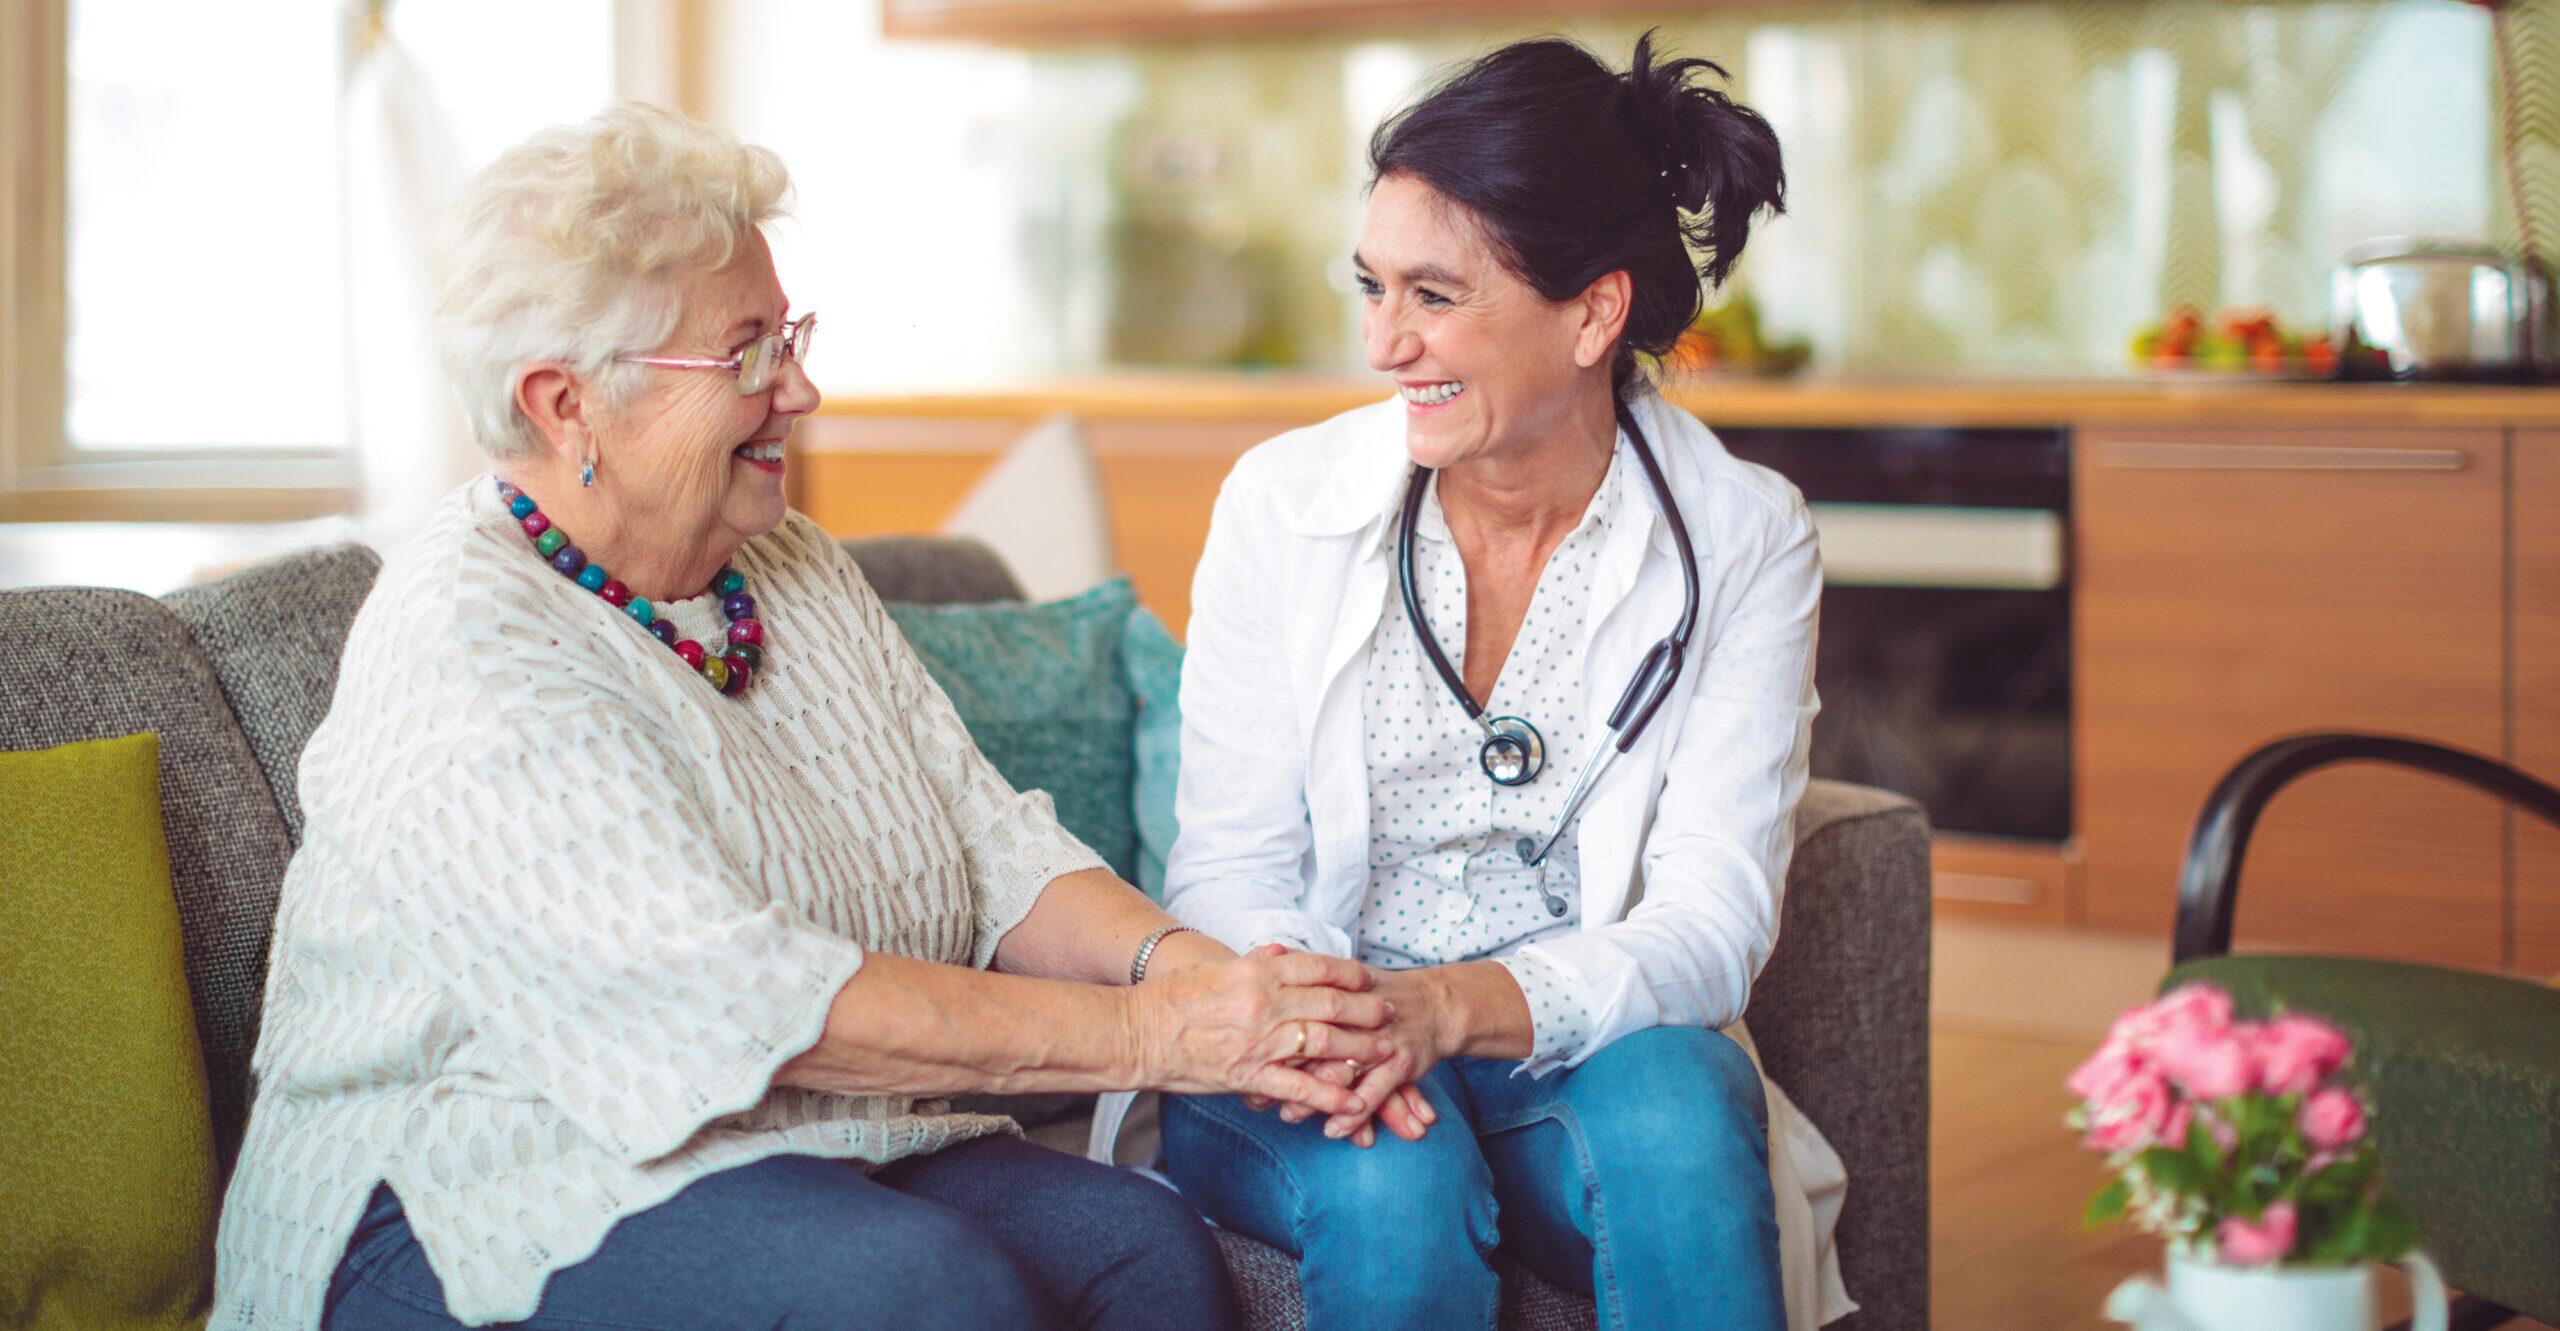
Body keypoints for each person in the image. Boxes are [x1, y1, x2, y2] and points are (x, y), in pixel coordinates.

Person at [209, 105, 1391, 1331]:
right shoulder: (469, 647)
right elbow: (745, 1004)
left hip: (786, 1130)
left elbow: (996, 846)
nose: (802, 388)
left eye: (790, 336)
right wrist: (1161, 1035)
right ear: (566, 403)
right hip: (474, 1169)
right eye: (746, 356)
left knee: (1138, 1248)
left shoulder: (789, 568)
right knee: (921, 1291)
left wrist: (1226, 984)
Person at [1158, 34, 1854, 1331]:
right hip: (1309, 1020)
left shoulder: (1744, 534)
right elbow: (1229, 863)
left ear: (1593, 312)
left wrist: (1453, 1008)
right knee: (1394, 1181)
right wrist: (1351, 1020)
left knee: (1687, 1120)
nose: (1382, 342)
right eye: (1371, 285)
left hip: (1561, 1033)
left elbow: (1712, 921)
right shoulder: (1283, 503)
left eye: (1434, 294)